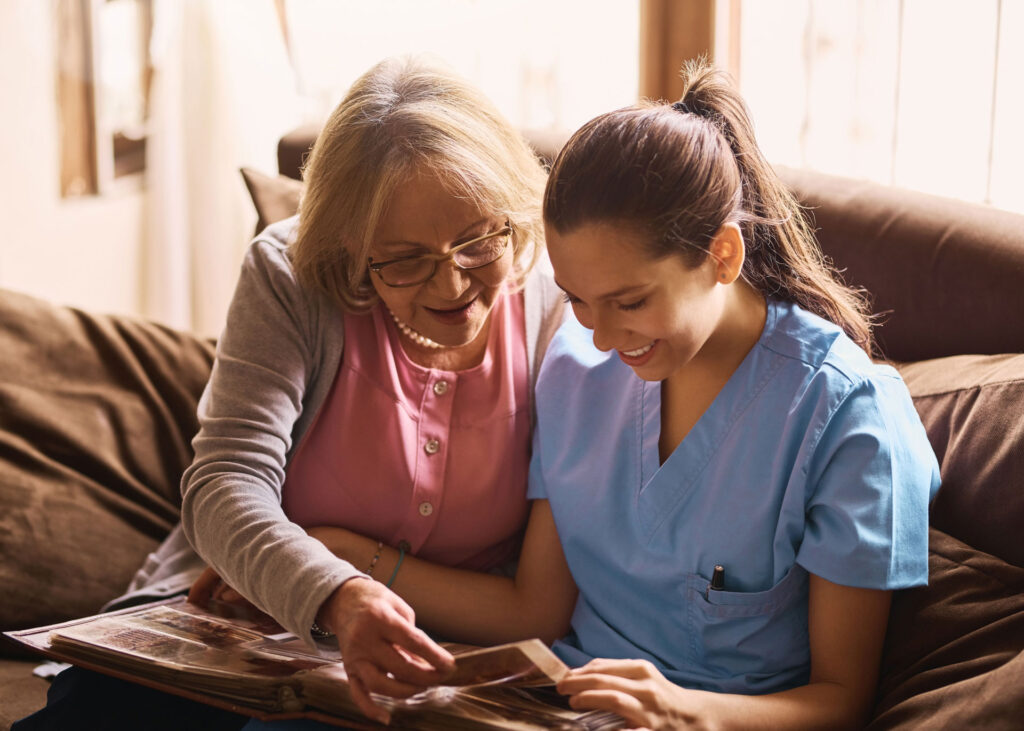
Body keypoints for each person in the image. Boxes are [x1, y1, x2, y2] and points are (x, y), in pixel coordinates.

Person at [303, 59, 941, 730]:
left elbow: (840, 699)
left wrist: (682, 710)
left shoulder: (850, 420)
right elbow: (534, 612)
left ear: (722, 256)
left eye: (628, 301)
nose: (602, 337)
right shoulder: (574, 368)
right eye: (577, 300)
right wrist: (327, 558)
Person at [14, 55, 565, 730]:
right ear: (351, 248)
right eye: (404, 259)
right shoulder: (291, 274)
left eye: (479, 239)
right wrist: (333, 590)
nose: (451, 285)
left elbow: (545, 586)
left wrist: (343, 551)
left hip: (443, 648)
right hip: (238, 613)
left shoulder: (560, 303)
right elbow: (222, 484)